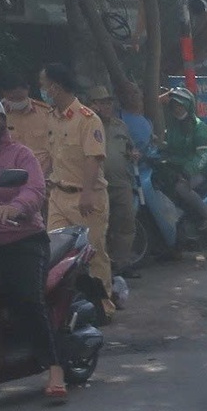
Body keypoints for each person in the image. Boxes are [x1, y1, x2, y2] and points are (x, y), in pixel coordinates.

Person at [0, 95, 69, 402]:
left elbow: (35, 189)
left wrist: (16, 206)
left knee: (26, 298)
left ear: (0, 121)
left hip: (21, 239)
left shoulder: (20, 155)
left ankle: (54, 368)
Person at [37, 64, 110, 306]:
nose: (42, 91)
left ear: (55, 88)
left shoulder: (88, 119)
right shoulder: (51, 118)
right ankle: (63, 306)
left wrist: (87, 193)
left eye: (44, 86)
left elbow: (93, 158)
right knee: (54, 254)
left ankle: (102, 305)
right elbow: (51, 155)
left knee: (93, 253)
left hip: (86, 198)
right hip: (58, 196)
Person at [91, 86, 140, 281]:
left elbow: (130, 147)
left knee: (125, 223)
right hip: (97, 184)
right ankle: (103, 267)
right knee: (101, 226)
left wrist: (133, 154)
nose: (106, 106)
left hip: (121, 182)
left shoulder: (120, 126)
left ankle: (122, 263)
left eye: (108, 102)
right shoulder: (89, 125)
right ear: (93, 104)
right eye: (101, 102)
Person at [154, 87, 207, 238]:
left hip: (198, 171)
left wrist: (189, 170)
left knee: (182, 188)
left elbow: (203, 155)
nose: (177, 109)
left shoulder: (200, 127)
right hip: (176, 169)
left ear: (188, 106)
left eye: (180, 105)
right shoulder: (173, 127)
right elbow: (167, 148)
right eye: (174, 106)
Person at [0, 71, 51, 165]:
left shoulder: (46, 113)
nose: (17, 102)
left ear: (27, 89)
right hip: (9, 175)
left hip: (43, 175)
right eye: (13, 98)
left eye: (20, 98)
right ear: (4, 93)